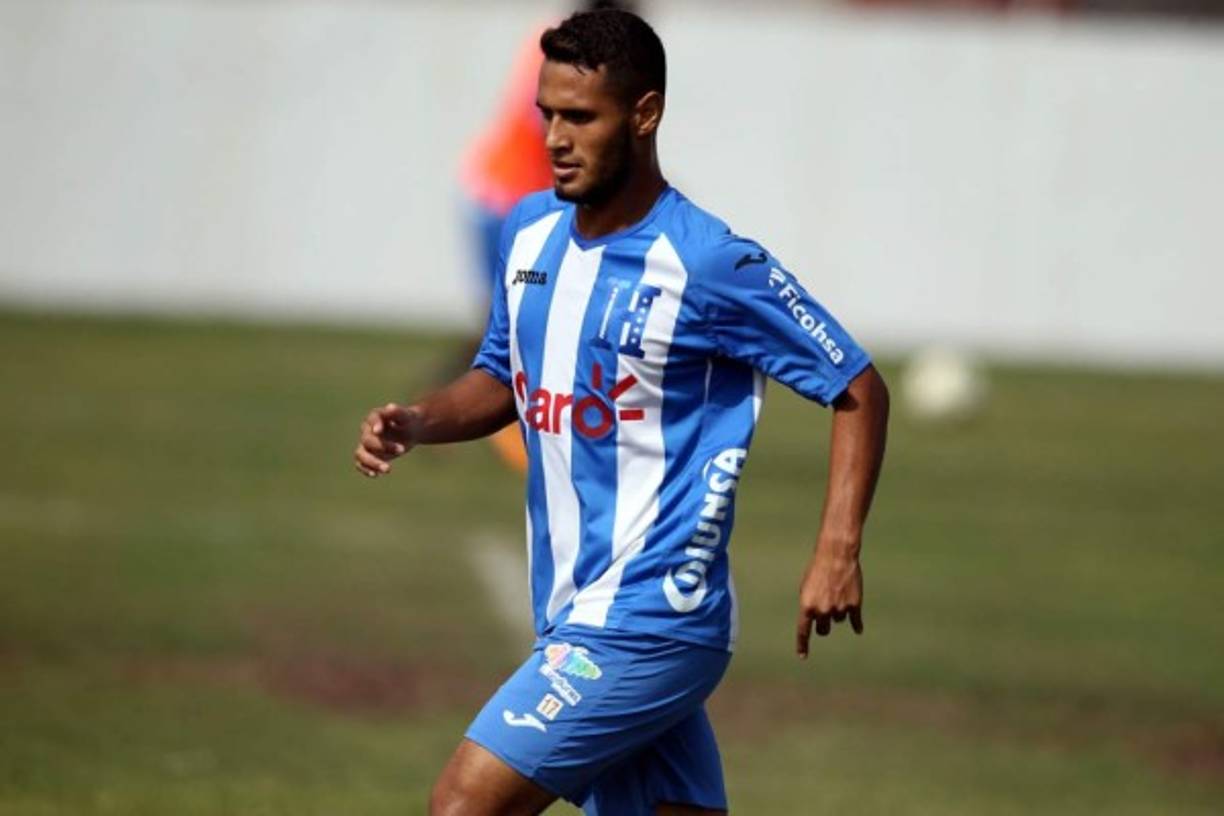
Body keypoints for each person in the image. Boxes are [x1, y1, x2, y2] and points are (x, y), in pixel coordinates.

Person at [355, 9, 889, 815]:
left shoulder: (707, 261)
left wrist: (837, 550)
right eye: (548, 116)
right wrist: (421, 421)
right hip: (573, 609)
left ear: (644, 115)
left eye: (581, 117)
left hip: (651, 617)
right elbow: (501, 375)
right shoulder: (530, 233)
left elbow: (856, 386)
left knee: (463, 805)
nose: (556, 139)